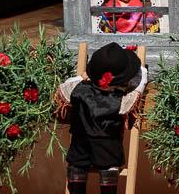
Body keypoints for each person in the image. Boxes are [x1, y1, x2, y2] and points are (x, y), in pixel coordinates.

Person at [59, 43, 148, 194]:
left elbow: (64, 86)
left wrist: (82, 77)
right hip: (107, 146)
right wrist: (143, 73)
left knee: (76, 166)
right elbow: (135, 94)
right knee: (108, 168)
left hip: (80, 144)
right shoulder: (119, 99)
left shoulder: (78, 89)